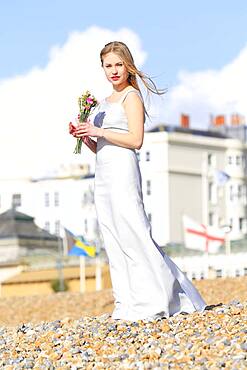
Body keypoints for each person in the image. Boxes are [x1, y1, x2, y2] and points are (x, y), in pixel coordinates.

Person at [69, 41, 207, 321]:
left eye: (118, 64)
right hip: (103, 173)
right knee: (113, 233)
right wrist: (86, 136)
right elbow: (102, 145)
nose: (114, 71)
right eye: (109, 66)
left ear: (128, 65)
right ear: (103, 68)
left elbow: (135, 140)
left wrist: (99, 130)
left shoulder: (131, 97)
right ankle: (126, 302)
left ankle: (159, 299)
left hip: (123, 170)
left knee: (134, 230)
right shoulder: (103, 103)